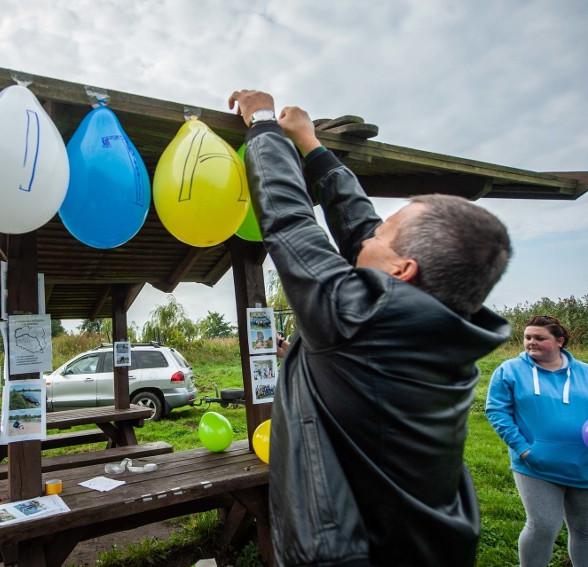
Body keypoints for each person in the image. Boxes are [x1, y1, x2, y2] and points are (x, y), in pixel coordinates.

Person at [228, 89, 512, 566]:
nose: (369, 233)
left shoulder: (357, 319)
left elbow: (290, 221)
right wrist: (314, 149)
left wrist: (262, 122)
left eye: (383, 235)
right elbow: (360, 227)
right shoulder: (441, 328)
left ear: (402, 271)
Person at [486, 315, 588, 566]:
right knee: (543, 527)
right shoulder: (509, 370)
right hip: (535, 463)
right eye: (527, 337)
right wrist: (523, 449)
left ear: (560, 341)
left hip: (583, 464)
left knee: (585, 530)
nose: (531, 342)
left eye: (539, 338)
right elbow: (496, 411)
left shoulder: (585, 372)